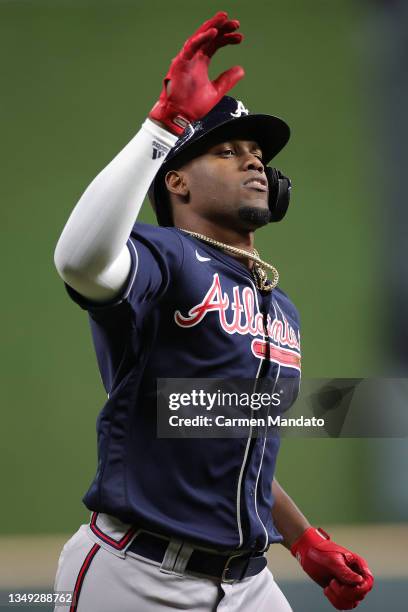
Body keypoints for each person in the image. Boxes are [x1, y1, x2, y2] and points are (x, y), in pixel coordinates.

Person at [53, 11, 374, 612]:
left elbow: (230, 439)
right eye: (227, 152)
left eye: (257, 154)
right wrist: (164, 124)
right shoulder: (163, 257)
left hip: (248, 581)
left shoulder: (279, 306)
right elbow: (79, 262)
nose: (255, 162)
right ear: (176, 181)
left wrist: (301, 537)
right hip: (136, 575)